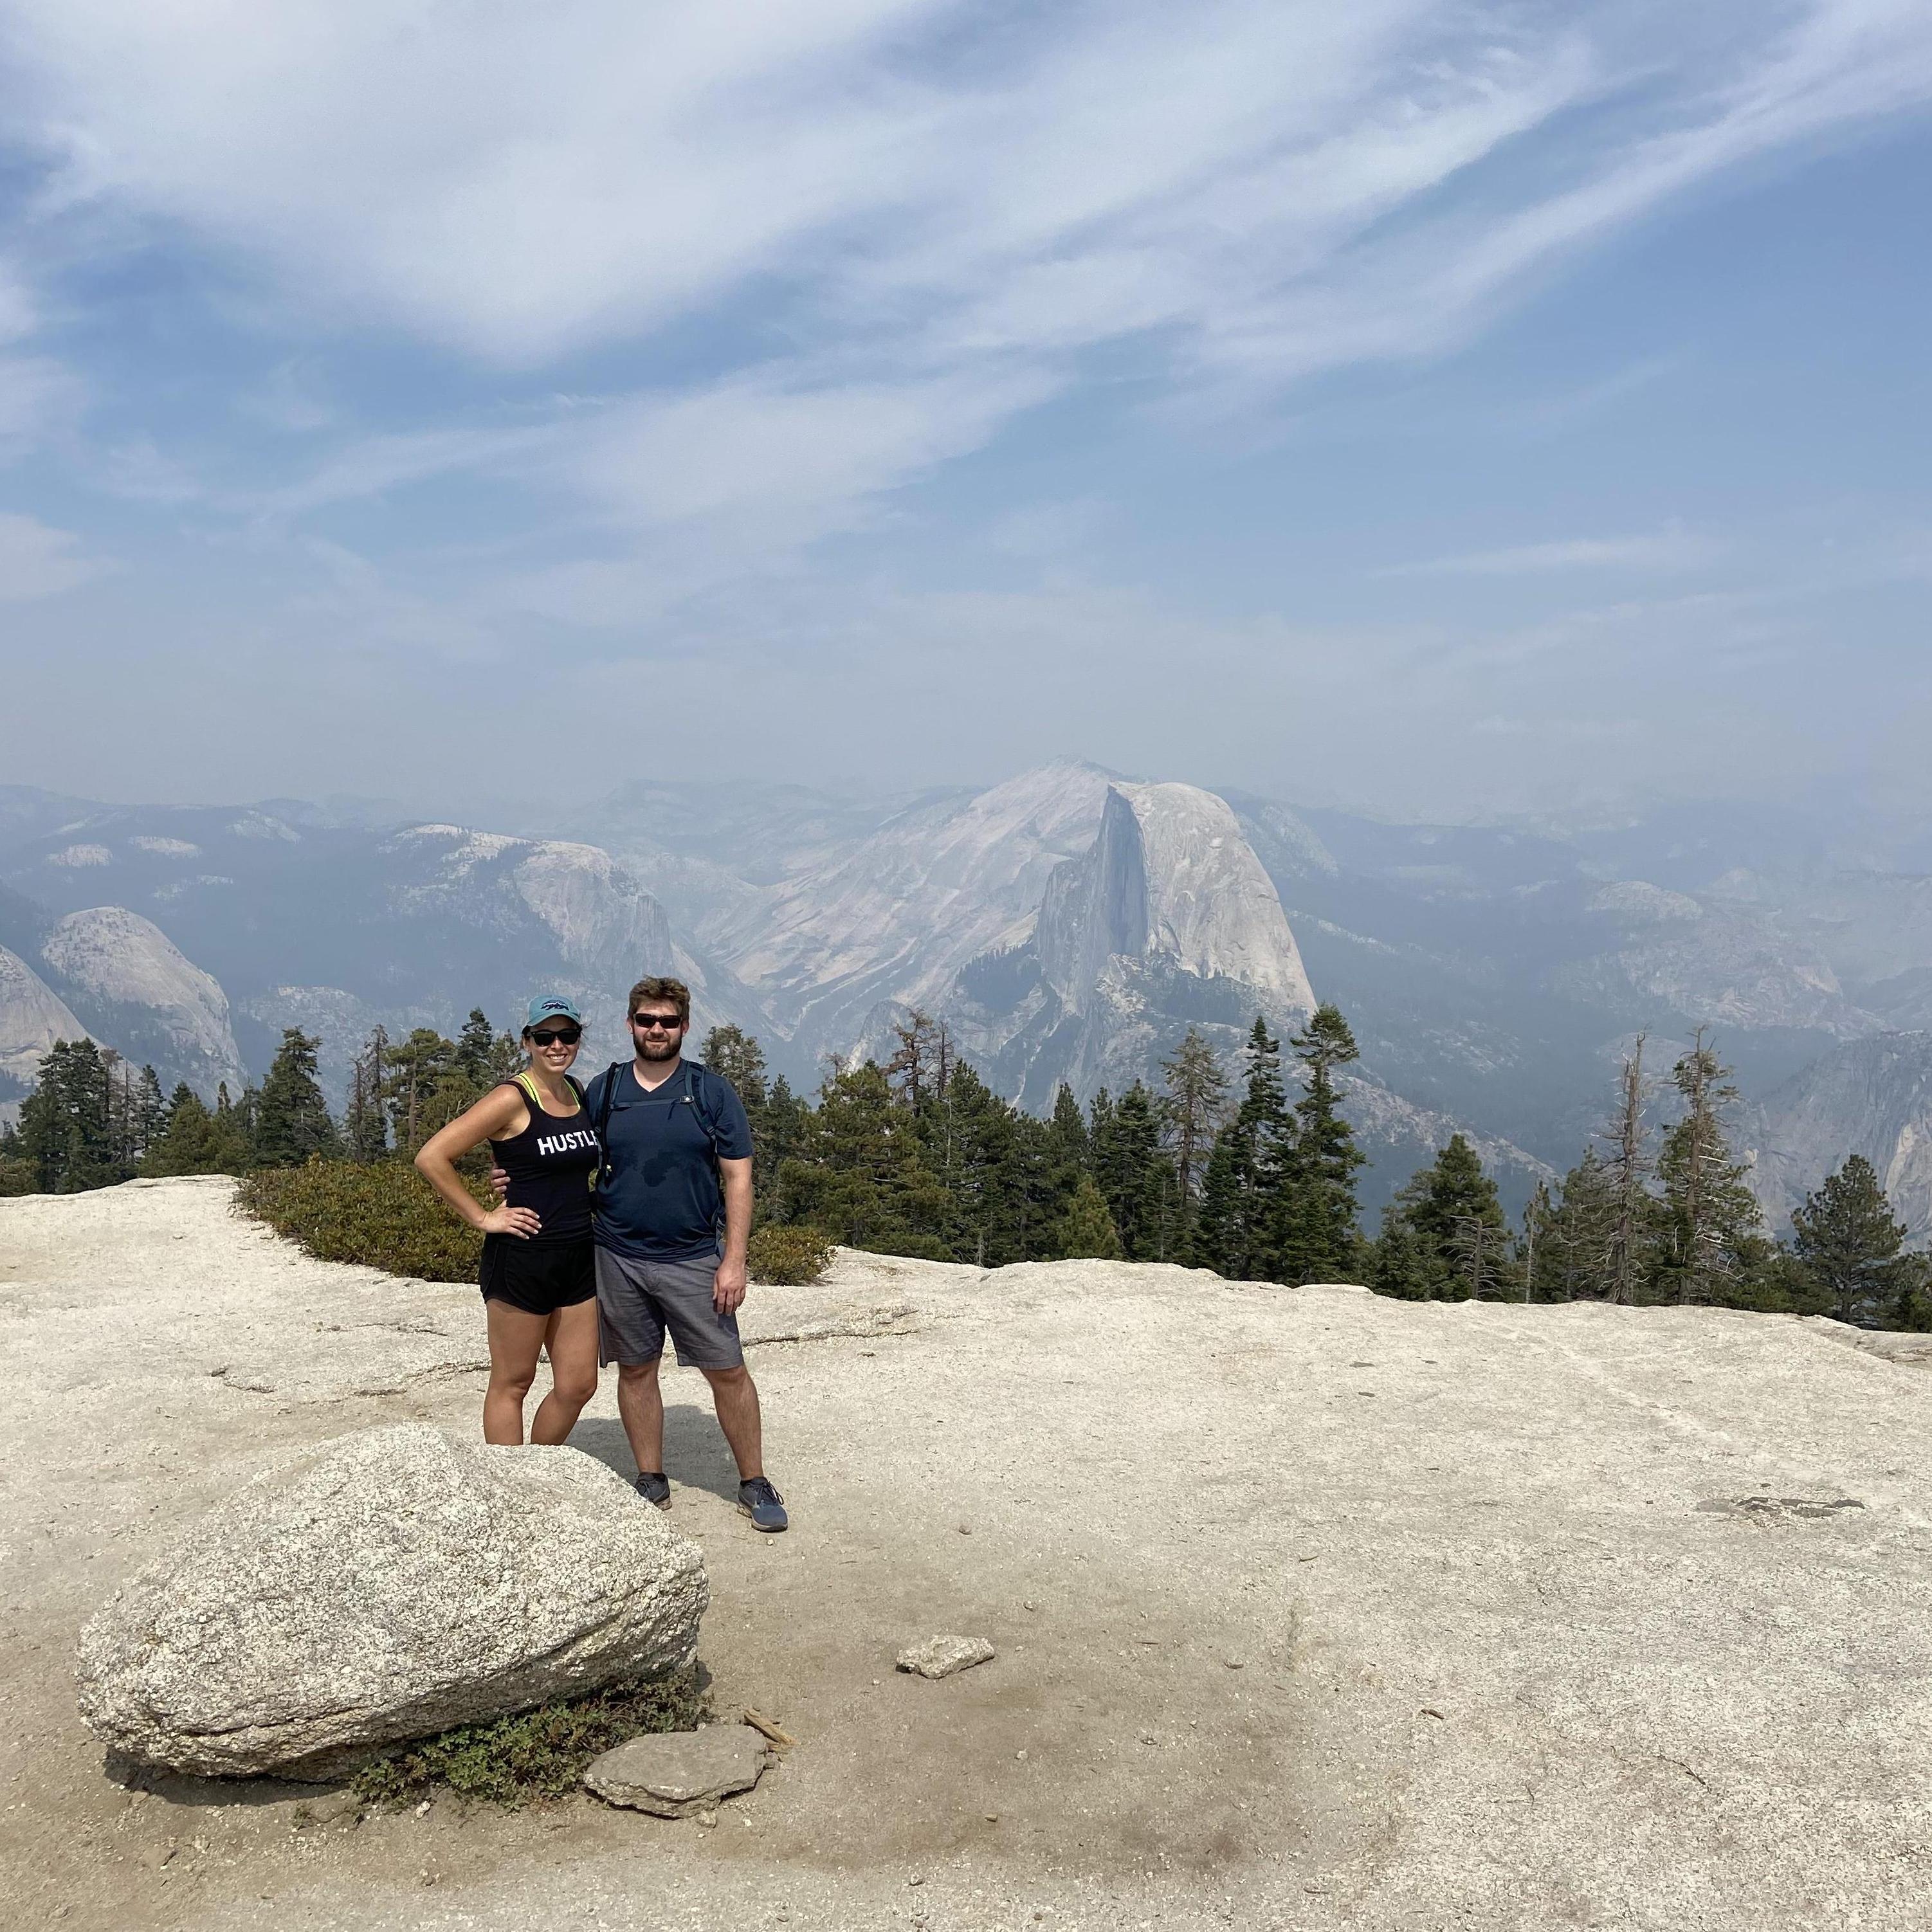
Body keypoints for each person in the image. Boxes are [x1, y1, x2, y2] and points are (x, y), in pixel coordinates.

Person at [578, 974, 786, 1532]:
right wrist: (511, 1178)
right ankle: (651, 1476)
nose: (656, 1029)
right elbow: (566, 1157)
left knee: (727, 1371)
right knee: (636, 1368)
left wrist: (734, 1259)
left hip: (694, 1257)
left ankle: (753, 1479)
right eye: (646, 1020)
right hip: (618, 1255)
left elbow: (739, 1179)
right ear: (630, 1024)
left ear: (685, 1027)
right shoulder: (606, 1089)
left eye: (668, 1021)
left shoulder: (709, 1091)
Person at [415, 997, 601, 1447]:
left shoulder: (577, 1091)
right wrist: (482, 1217)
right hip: (523, 1257)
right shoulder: (510, 1097)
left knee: (578, 1386)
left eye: (567, 1036)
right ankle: (509, 1485)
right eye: (545, 1037)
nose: (557, 1045)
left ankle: (539, 1465)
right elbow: (432, 1156)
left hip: (579, 1255)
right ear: (527, 1042)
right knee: (513, 1382)